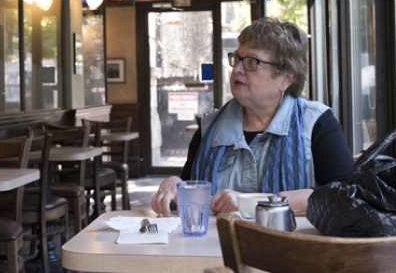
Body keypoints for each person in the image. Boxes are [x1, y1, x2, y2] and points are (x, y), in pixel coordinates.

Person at [151, 18, 354, 217]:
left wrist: (253, 204)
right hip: (215, 249)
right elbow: (189, 193)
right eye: (237, 59)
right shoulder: (209, 128)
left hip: (296, 247)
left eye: (252, 62)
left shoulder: (316, 122)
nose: (237, 69)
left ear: (287, 77)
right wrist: (175, 183)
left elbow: (345, 196)